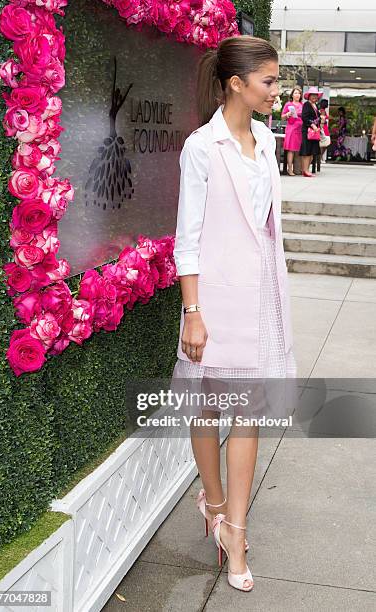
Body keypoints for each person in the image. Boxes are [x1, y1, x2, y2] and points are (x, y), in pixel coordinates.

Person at [171, 36, 297, 594]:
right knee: (206, 408)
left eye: (277, 80)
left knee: (248, 413)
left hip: (258, 298)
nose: (277, 91)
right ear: (236, 84)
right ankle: (215, 504)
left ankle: (236, 532)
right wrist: (192, 312)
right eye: (269, 81)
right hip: (212, 300)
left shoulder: (268, 141)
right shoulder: (202, 147)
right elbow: (188, 239)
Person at [299, 86, 323, 177]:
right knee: (307, 151)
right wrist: (312, 125)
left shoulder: (315, 106)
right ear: (309, 96)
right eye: (312, 95)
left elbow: (317, 118)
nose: (314, 97)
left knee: (312, 152)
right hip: (308, 131)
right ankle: (305, 170)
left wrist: (319, 123)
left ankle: (307, 170)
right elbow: (304, 117)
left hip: (314, 132)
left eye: (316, 95)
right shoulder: (306, 104)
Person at [281, 86, 303, 175]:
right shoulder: (288, 104)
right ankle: (289, 169)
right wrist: (287, 114)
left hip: (301, 129)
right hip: (292, 128)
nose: (297, 95)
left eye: (299, 93)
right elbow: (282, 117)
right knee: (291, 149)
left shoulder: (303, 105)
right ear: (292, 95)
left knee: (299, 150)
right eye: (295, 93)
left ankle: (298, 169)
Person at [319, 99, 331, 163]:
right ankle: (320, 158)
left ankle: (320, 158)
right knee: (325, 143)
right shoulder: (322, 111)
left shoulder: (322, 110)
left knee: (324, 143)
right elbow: (322, 120)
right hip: (324, 128)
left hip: (324, 127)